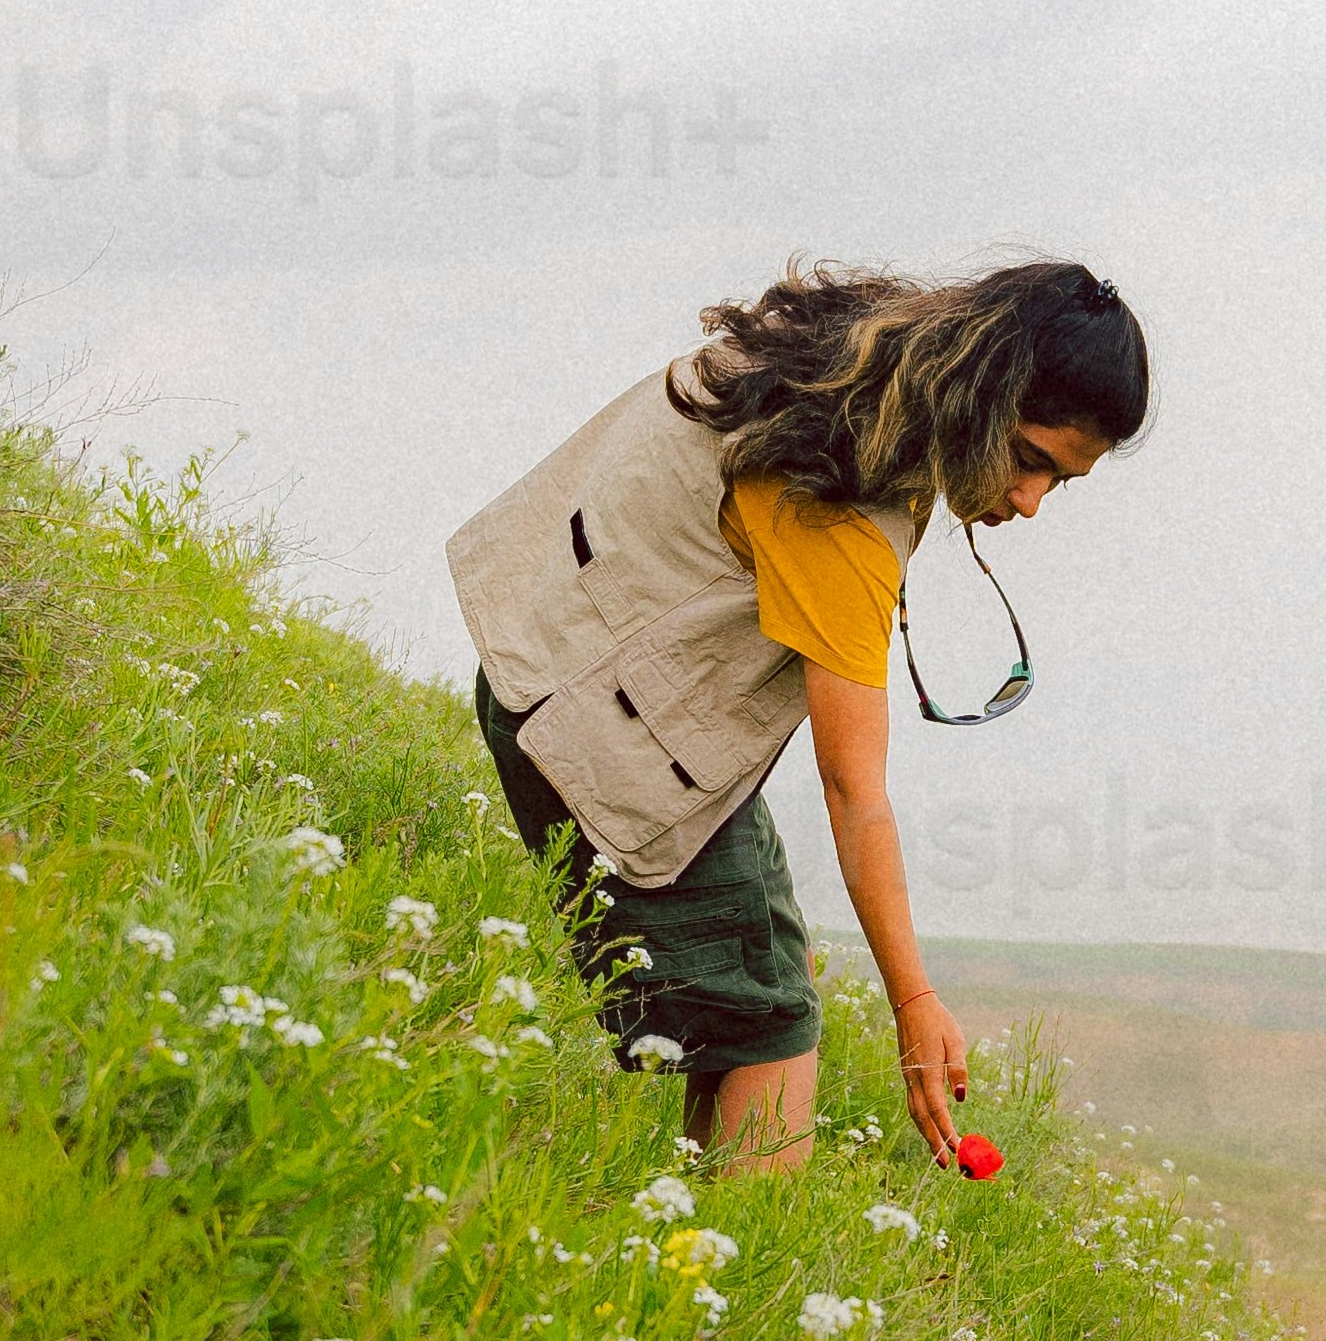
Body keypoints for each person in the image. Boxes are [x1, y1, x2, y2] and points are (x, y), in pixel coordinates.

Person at [451, 253, 1150, 1174]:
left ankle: (666, 1201)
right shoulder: (843, 508)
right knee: (770, 1030)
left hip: (547, 666)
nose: (1029, 501)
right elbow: (855, 790)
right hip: (595, 744)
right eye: (1030, 460)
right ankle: (722, 1292)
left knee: (766, 975)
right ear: (981, 395)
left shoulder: (846, 359)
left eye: (1062, 481)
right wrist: (914, 1004)